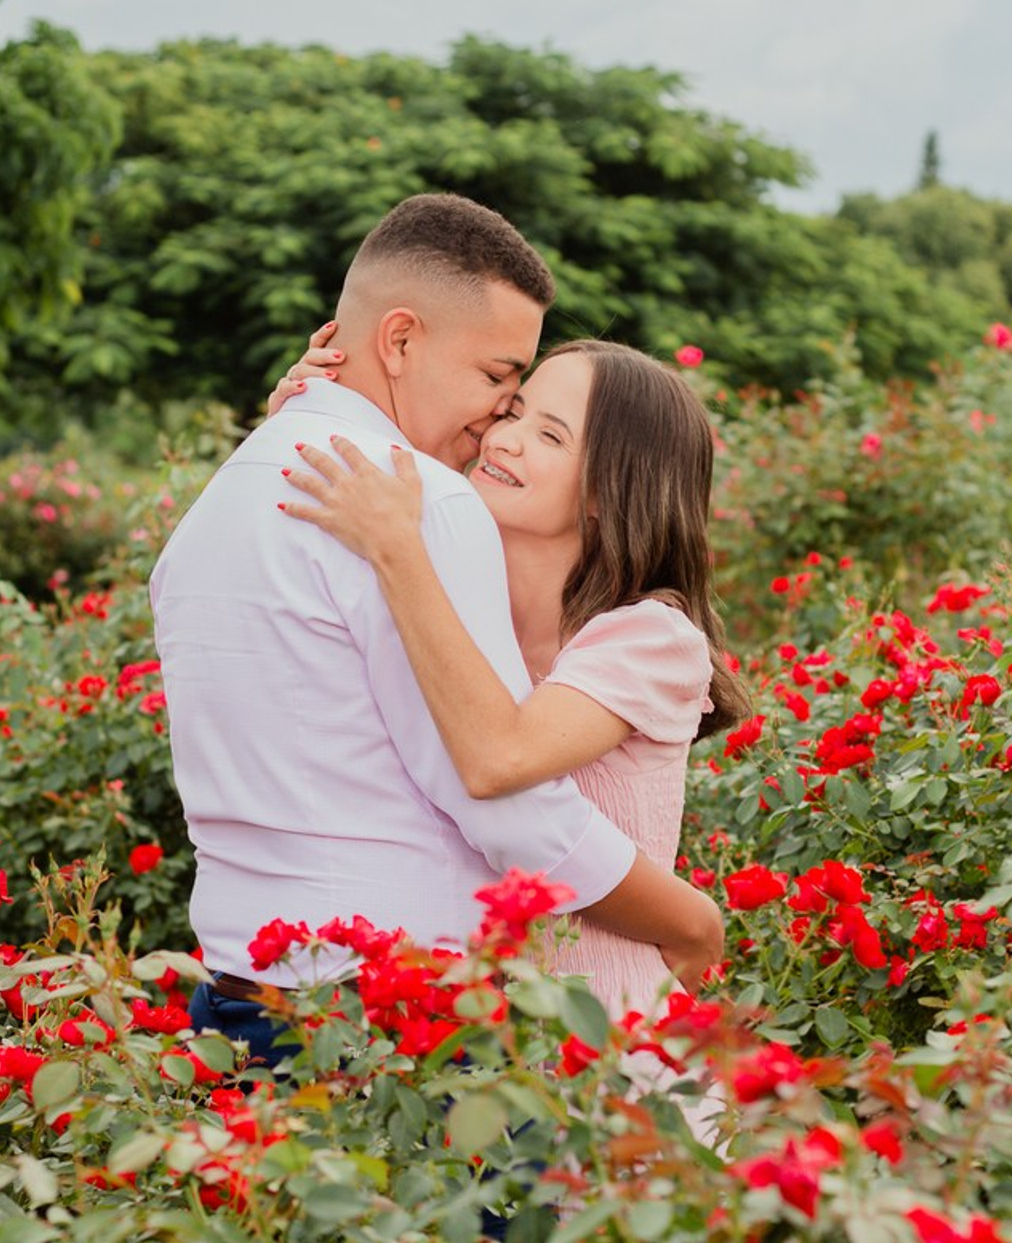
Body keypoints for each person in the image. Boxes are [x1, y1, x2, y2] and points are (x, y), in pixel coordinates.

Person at [149, 194, 723, 1068]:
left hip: (240, 991)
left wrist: (302, 418)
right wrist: (691, 916)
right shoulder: (419, 509)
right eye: (502, 382)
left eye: (536, 416)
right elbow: (504, 793)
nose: (500, 421)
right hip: (388, 1011)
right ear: (403, 340)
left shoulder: (225, 498)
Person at [276, 338, 750, 1024]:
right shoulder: (466, 604)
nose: (506, 439)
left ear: (607, 489)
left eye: (550, 435)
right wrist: (309, 409)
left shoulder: (651, 637)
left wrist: (396, 549)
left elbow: (502, 759)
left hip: (607, 1038)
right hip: (478, 1040)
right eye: (514, 412)